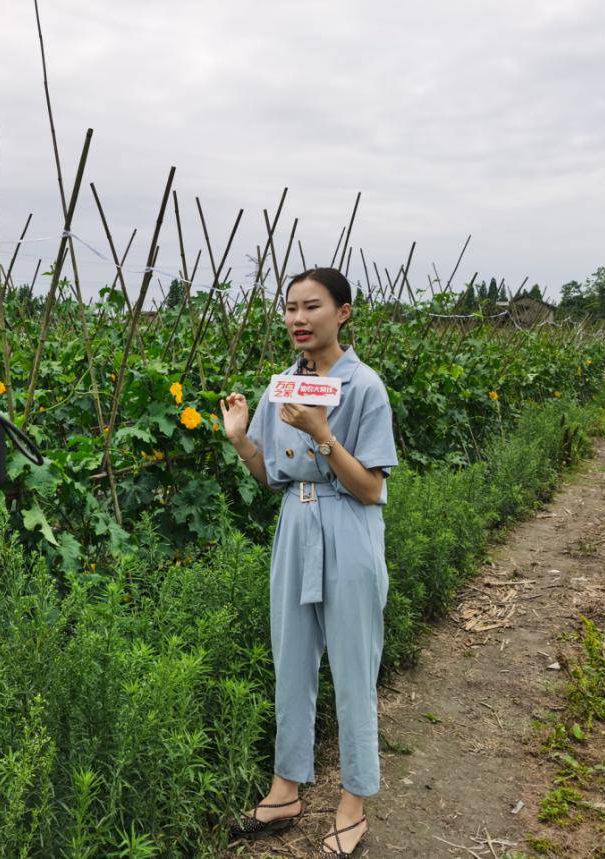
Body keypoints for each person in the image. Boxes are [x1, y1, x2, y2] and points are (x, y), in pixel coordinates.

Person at [220, 268, 398, 857]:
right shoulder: (282, 387)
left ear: (343, 312)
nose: (298, 319)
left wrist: (323, 434)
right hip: (295, 525)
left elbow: (370, 488)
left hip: (347, 524)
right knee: (290, 660)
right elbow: (273, 476)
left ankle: (354, 801)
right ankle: (286, 789)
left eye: (311, 307)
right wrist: (244, 439)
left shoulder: (365, 387)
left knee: (353, 665)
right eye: (290, 308)